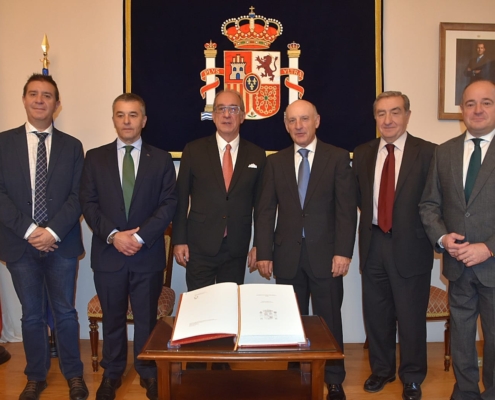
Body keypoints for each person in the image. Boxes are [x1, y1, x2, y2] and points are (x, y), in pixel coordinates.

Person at [255, 99, 357, 400]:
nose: (298, 126)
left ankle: (334, 378)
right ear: (286, 125)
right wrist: (264, 252)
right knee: (291, 320)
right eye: (292, 120)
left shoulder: (337, 158)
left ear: (317, 121)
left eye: (304, 119)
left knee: (328, 320)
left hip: (327, 256)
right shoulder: (275, 162)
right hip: (286, 255)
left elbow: (346, 211)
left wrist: (343, 251)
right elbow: (264, 210)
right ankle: (295, 376)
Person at [79, 93, 177, 400]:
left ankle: (148, 372)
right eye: (120, 114)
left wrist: (138, 237)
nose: (126, 120)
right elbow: (89, 202)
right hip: (109, 254)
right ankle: (112, 373)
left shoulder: (160, 159)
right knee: (113, 317)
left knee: (147, 318)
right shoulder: (95, 158)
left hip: (146, 255)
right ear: (113, 119)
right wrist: (114, 235)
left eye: (133, 115)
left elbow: (168, 204)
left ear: (143, 121)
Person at [0, 73, 88, 400]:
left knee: (65, 312)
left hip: (61, 244)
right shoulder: (2, 143)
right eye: (34, 94)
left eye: (47, 95)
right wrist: (30, 230)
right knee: (32, 315)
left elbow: (78, 195)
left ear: (57, 103)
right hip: (19, 244)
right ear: (24, 100)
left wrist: (50, 231)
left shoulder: (72, 146)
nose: (40, 100)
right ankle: (35, 376)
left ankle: (74, 375)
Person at [353, 91, 436, 400]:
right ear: (375, 118)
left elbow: (436, 201)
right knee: (376, 314)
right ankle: (382, 370)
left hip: (411, 247)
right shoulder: (362, 153)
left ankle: (412, 377)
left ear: (408, 115)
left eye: (395, 112)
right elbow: (360, 197)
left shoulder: (428, 152)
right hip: (373, 242)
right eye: (381, 113)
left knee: (411, 316)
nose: (387, 120)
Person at [420, 80, 495, 400]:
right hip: (458, 266)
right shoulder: (445, 151)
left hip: (492, 264)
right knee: (463, 336)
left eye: (487, 102)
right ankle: (465, 392)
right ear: (461, 110)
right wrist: (442, 237)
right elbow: (429, 205)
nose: (478, 110)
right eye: (470, 103)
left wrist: (489, 247)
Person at [172, 90, 266, 291]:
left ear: (242, 116)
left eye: (233, 109)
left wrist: (260, 244)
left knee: (230, 309)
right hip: (199, 246)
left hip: (236, 247)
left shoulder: (257, 155)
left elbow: (261, 206)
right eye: (221, 109)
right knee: (199, 310)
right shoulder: (193, 150)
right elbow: (180, 198)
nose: (227, 115)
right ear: (213, 116)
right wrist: (178, 240)